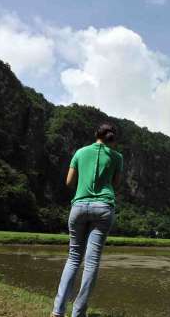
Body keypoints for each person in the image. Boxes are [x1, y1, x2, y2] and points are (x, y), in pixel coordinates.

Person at [52, 123, 123, 317]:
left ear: (96, 134)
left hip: (79, 207)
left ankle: (58, 312)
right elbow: (115, 185)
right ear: (112, 138)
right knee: (91, 263)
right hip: (103, 209)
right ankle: (78, 313)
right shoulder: (117, 157)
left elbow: (69, 182)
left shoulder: (80, 152)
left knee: (73, 258)